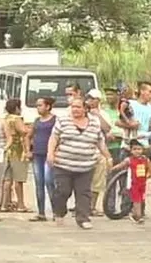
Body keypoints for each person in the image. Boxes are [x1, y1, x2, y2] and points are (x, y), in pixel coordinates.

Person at [47, 97, 112, 229]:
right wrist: (50, 153)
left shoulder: (94, 123)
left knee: (83, 192)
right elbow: (54, 138)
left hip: (86, 165)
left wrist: (108, 157)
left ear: (85, 109)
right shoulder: (63, 120)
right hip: (63, 164)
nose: (75, 109)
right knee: (63, 191)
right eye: (73, 107)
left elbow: (100, 141)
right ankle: (59, 212)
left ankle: (83, 218)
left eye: (78, 107)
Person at [27, 97, 56, 222]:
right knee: (39, 183)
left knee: (50, 182)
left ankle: (56, 211)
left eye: (40, 105)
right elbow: (28, 136)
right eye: (37, 105)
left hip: (49, 155)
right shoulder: (37, 121)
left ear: (48, 106)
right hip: (37, 155)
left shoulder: (55, 120)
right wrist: (28, 150)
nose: (38, 108)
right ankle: (41, 212)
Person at [112, 139, 151, 224]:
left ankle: (135, 214)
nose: (137, 151)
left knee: (141, 199)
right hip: (133, 184)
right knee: (136, 200)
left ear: (142, 150)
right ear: (131, 150)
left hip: (143, 184)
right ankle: (138, 217)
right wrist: (112, 169)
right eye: (134, 149)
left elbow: (150, 169)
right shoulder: (129, 160)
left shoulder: (145, 159)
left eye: (139, 149)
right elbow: (120, 166)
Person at [86, 88, 113, 216]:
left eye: (92, 99)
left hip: (99, 151)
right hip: (84, 151)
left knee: (97, 181)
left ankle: (92, 207)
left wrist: (97, 114)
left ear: (98, 100)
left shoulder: (104, 114)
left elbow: (107, 128)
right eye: (89, 98)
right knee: (84, 180)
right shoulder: (83, 113)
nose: (90, 101)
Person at [2, 99, 30, 212]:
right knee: (19, 179)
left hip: (8, 149)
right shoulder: (16, 118)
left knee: (7, 178)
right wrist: (29, 128)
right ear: (17, 108)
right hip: (18, 150)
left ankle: (4, 204)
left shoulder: (6, 118)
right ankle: (20, 204)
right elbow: (23, 131)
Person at [130, 81, 151, 145]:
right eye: (150, 91)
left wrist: (146, 135)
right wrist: (131, 125)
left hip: (144, 143)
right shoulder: (130, 104)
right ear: (142, 91)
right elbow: (117, 122)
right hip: (129, 141)